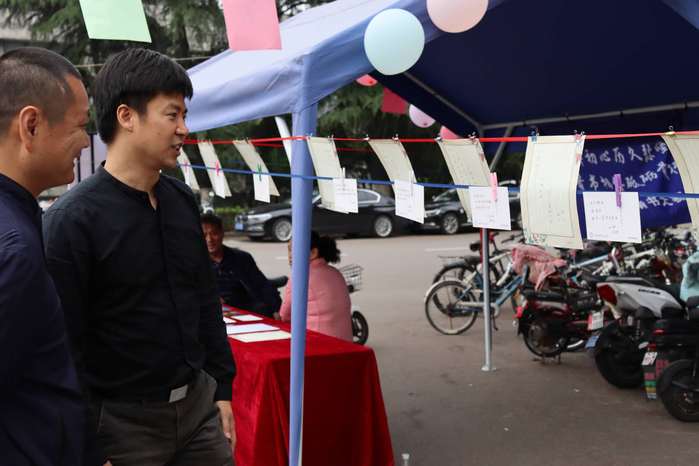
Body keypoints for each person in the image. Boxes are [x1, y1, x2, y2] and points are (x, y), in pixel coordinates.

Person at [43, 48, 236, 466]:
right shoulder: (72, 221)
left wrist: (223, 388)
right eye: (172, 115)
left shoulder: (182, 201)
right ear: (127, 116)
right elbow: (64, 347)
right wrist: (89, 445)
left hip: (198, 409)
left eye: (185, 115)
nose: (184, 129)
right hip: (120, 425)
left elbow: (205, 299)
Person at [0, 47, 90, 466]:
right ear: (31, 125)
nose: (86, 141)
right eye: (80, 126)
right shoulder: (14, 247)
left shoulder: (19, 216)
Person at [201, 213, 282, 317]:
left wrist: (275, 309)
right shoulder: (194, 263)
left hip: (244, 311)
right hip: (212, 314)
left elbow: (262, 285)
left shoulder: (242, 258)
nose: (209, 239)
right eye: (204, 235)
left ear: (222, 233)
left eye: (214, 233)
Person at [279, 232, 352, 341]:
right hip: (346, 342)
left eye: (294, 249)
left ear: (313, 253)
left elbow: (284, 316)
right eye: (289, 250)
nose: (290, 255)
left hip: (318, 343)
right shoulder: (336, 272)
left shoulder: (300, 276)